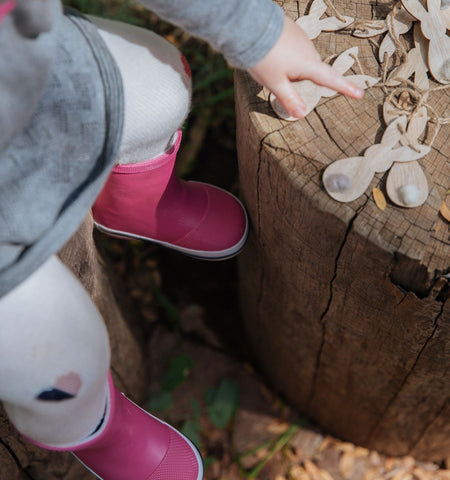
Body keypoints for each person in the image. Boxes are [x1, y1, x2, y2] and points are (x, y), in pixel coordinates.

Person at [0, 1, 363, 479]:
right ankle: (90, 423)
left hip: (32, 65)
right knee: (57, 357)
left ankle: (135, 205)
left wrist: (254, 30)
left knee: (161, 85)